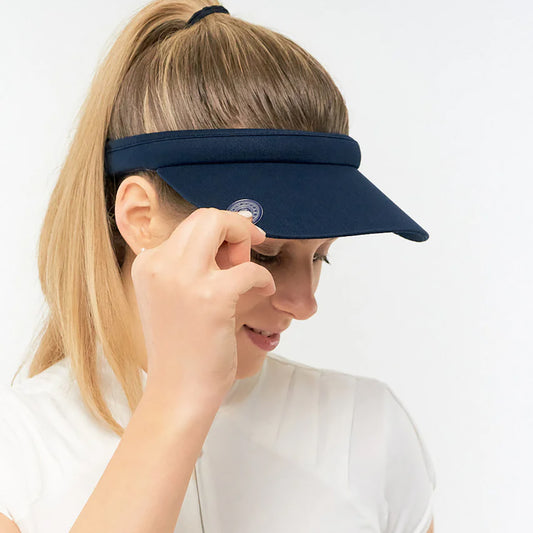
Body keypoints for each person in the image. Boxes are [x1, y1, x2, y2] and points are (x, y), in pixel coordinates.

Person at [0, 1, 436, 532]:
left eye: (321, 255)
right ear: (140, 219)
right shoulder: (16, 455)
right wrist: (177, 398)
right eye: (266, 253)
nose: (304, 304)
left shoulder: (365, 431)